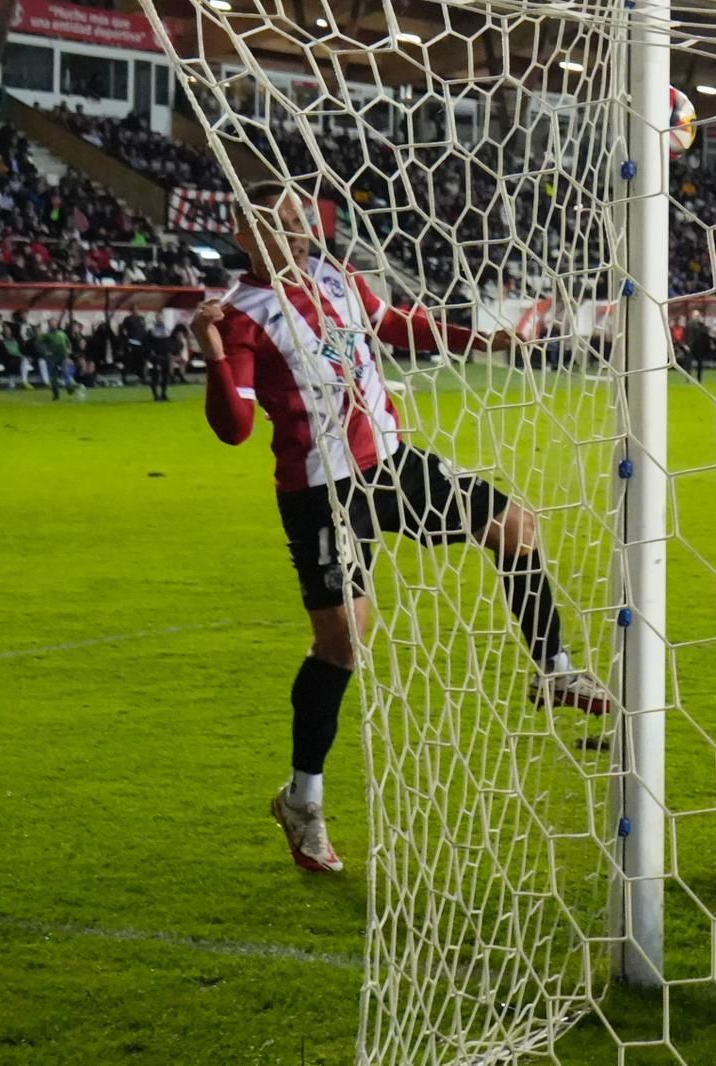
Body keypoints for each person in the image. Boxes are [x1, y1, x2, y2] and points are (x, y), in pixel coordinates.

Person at [193, 180, 614, 873]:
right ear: (244, 234)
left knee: (515, 526)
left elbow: (394, 324)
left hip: (390, 461)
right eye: (280, 225)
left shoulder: (337, 276)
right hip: (322, 491)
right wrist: (209, 346)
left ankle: (554, 669)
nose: (298, 234)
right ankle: (302, 800)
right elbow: (234, 429)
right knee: (343, 645)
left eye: (303, 221)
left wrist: (480, 340)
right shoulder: (243, 316)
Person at [147, 317, 173, 401]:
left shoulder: (167, 332)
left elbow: (169, 343)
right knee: (156, 376)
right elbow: (147, 344)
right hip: (157, 357)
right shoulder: (151, 332)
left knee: (166, 376)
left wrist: (170, 352)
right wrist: (151, 354)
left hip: (166, 356)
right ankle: (155, 395)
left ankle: (163, 393)